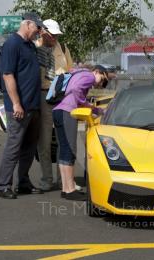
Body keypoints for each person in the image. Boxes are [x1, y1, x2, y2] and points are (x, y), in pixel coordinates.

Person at [0, 12, 46, 199]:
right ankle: (3, 185)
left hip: (33, 106)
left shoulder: (30, 45)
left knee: (29, 147)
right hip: (19, 107)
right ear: (27, 24)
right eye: (37, 27)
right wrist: (16, 104)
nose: (39, 31)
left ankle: (23, 182)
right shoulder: (12, 44)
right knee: (14, 146)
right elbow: (7, 75)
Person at [53, 65, 108, 201]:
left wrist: (97, 111)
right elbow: (76, 90)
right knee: (70, 150)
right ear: (96, 71)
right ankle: (70, 189)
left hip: (58, 111)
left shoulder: (78, 73)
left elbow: (78, 96)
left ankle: (66, 188)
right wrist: (83, 101)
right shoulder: (89, 76)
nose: (100, 84)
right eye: (102, 79)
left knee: (64, 149)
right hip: (67, 112)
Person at [36, 19, 73, 191]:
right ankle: (46, 179)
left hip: (62, 96)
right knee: (43, 140)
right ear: (43, 32)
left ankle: (62, 180)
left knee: (62, 140)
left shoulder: (63, 48)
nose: (55, 38)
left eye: (57, 34)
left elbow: (70, 72)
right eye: (52, 34)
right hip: (43, 96)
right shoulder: (34, 48)